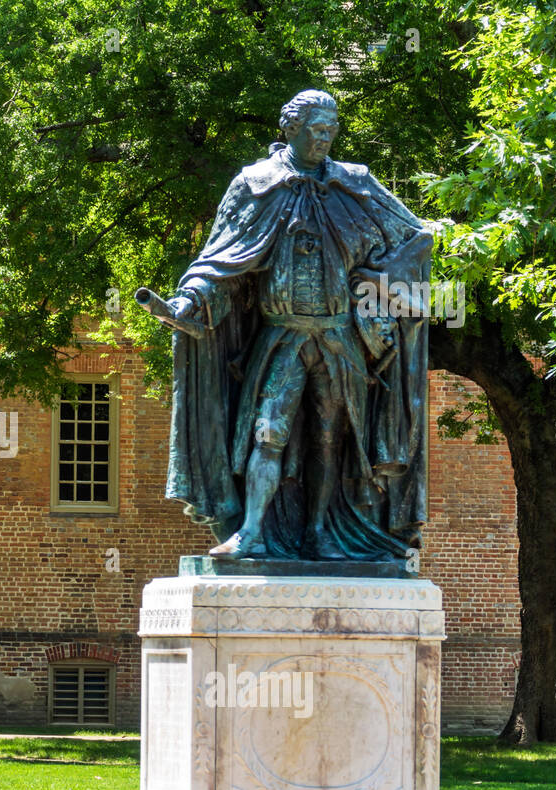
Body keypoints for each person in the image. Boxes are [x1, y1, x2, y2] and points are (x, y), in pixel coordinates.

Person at [150, 88, 431, 561]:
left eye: (332, 129)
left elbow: (416, 238)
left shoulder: (355, 184)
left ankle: (320, 531)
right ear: (291, 129)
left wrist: (378, 281)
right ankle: (253, 532)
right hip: (281, 336)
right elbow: (218, 261)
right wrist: (188, 302)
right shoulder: (257, 184)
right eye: (317, 129)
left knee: (330, 438)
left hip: (340, 337)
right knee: (268, 430)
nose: (327, 137)